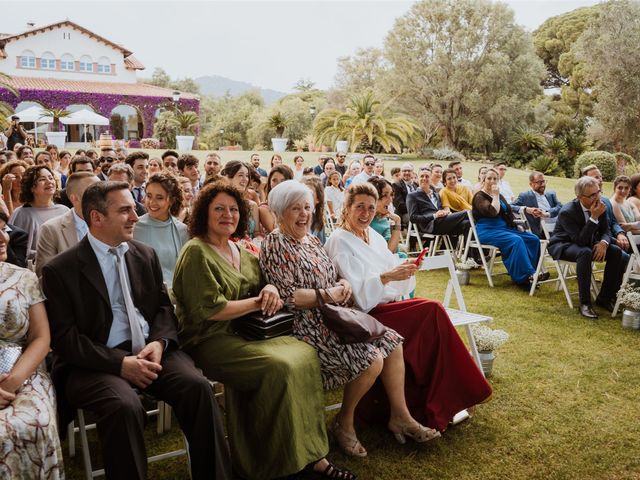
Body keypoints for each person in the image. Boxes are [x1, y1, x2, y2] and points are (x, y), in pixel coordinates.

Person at [42, 181, 232, 479]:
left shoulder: (144, 254)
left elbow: (163, 309)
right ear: (97, 218)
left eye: (134, 207)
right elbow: (66, 340)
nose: (136, 216)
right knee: (124, 405)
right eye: (125, 210)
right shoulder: (60, 270)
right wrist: (119, 364)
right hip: (94, 363)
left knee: (198, 388)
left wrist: (160, 343)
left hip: (151, 350)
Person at [172, 180, 352, 480]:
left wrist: (268, 286)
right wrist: (258, 302)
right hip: (210, 339)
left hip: (249, 333)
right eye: (219, 209)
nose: (227, 215)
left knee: (304, 354)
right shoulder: (195, 252)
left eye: (233, 209)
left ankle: (313, 456)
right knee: (279, 367)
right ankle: (272, 463)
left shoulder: (240, 250)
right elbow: (212, 310)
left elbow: (262, 281)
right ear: (204, 213)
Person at [262, 180, 438, 458]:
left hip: (332, 315)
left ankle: (400, 416)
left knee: (392, 341)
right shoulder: (276, 242)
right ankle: (344, 424)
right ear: (280, 211)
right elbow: (290, 297)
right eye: (296, 208)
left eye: (307, 207)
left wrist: (343, 282)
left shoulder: (310, 240)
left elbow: (332, 273)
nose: (304, 214)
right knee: (372, 359)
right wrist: (331, 293)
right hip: (305, 325)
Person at [324, 183, 492, 432]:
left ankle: (451, 398)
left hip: (387, 306)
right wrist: (387, 277)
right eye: (359, 207)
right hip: (364, 315)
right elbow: (357, 296)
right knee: (432, 310)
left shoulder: (374, 236)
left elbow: (392, 268)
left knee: (432, 315)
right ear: (346, 208)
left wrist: (407, 268)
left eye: (371, 208)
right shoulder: (339, 241)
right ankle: (461, 393)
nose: (366, 213)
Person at [0, 222, 64, 479]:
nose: (2, 237)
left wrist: (11, 383)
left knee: (32, 424)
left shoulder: (23, 277)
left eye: (3, 228)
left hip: (23, 371)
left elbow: (41, 337)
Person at [549, 176, 627, 319]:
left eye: (598, 192)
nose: (597, 197)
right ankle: (585, 304)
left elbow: (606, 231)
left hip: (586, 242)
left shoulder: (599, 205)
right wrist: (594, 217)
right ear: (579, 197)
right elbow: (580, 240)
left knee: (616, 251)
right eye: (592, 195)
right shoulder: (568, 211)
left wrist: (604, 243)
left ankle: (605, 297)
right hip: (564, 244)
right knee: (585, 252)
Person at [471, 168, 540, 288]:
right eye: (489, 178)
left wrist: (516, 224)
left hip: (504, 228)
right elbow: (492, 212)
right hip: (487, 230)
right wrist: (496, 196)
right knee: (515, 240)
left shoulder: (500, 195)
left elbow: (508, 212)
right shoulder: (479, 196)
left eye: (495, 179)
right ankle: (526, 276)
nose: (492, 181)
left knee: (533, 239)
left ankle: (529, 272)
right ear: (483, 179)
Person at [35, 172, 99, 277]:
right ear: (74, 198)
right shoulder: (51, 229)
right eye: (94, 191)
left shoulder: (113, 222)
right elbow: (44, 275)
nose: (101, 195)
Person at [133, 173, 188, 289]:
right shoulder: (133, 227)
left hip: (176, 297)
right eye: (149, 196)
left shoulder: (182, 230)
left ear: (172, 200)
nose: (152, 202)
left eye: (159, 198)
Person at [9, 165, 69, 261]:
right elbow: (17, 249)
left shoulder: (65, 211)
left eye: (50, 178)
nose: (49, 182)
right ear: (32, 187)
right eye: (42, 179)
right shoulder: (22, 214)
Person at [406, 168, 471, 237]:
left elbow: (441, 209)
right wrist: (434, 216)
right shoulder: (412, 196)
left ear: (431, 179)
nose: (424, 178)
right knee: (467, 212)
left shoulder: (436, 195)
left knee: (467, 223)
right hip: (431, 225)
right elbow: (413, 218)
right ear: (417, 178)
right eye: (422, 176)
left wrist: (445, 212)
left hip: (443, 223)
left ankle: (470, 248)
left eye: (427, 176)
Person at [582, 164, 630, 252]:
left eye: (601, 177)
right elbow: (592, 232)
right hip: (596, 242)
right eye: (596, 177)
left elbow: (614, 222)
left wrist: (620, 233)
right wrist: (613, 241)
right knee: (623, 255)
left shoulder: (606, 201)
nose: (600, 180)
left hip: (611, 238)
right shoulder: (584, 203)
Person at [220, 161, 262, 243]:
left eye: (247, 176)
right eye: (240, 175)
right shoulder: (220, 205)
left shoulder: (252, 205)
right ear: (228, 177)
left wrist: (258, 240)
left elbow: (257, 232)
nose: (245, 179)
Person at [511, 171, 563, 238]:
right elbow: (510, 206)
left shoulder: (551, 194)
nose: (543, 184)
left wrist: (547, 213)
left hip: (557, 226)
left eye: (543, 181)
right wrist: (526, 209)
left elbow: (560, 206)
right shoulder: (525, 196)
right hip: (542, 231)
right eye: (539, 182)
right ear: (531, 184)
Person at [368, 176, 403, 254]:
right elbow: (390, 251)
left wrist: (397, 222)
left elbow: (392, 250)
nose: (390, 199)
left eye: (391, 195)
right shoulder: (362, 221)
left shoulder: (382, 220)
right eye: (385, 195)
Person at [258, 164, 293, 234]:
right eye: (274, 180)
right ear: (270, 183)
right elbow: (278, 233)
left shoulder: (295, 204)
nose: (278, 184)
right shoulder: (264, 208)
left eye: (283, 181)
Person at [301, 176, 327, 244]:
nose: (305, 197)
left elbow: (322, 246)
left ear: (318, 199)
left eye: (310, 194)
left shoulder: (318, 222)